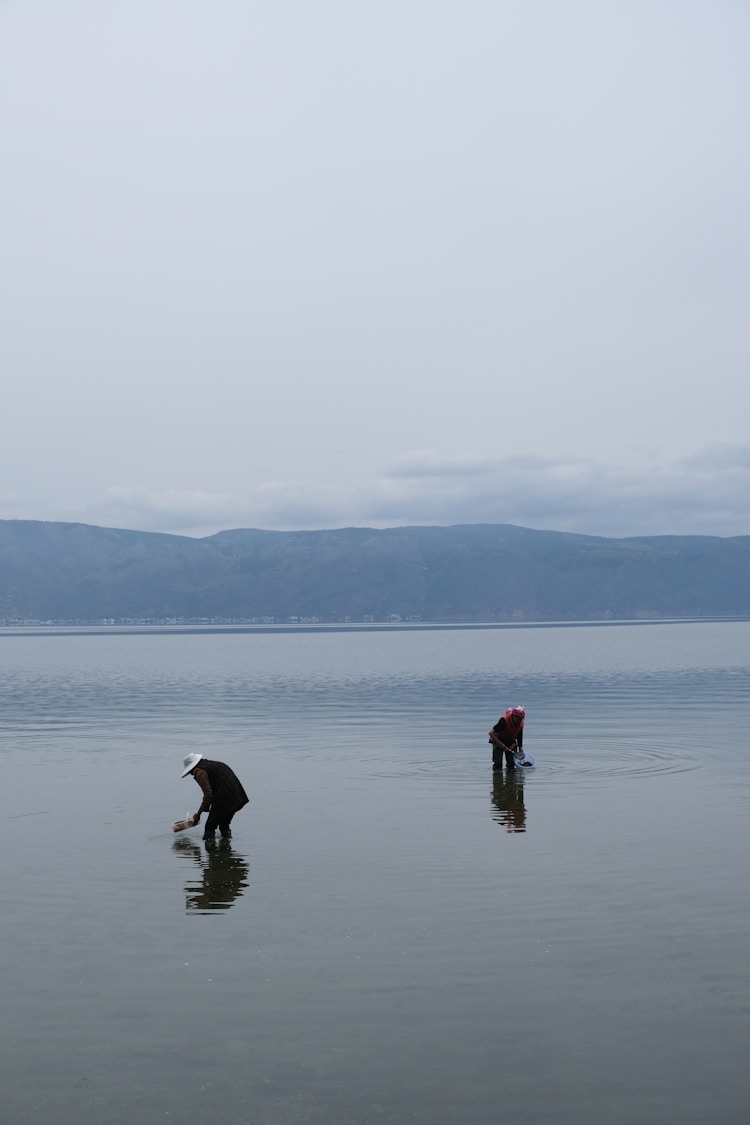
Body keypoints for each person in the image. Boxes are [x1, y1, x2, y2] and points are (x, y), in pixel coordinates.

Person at [180, 753, 249, 841]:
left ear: (192, 768)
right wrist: (206, 808)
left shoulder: (200, 771)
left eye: (190, 772)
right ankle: (226, 849)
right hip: (239, 796)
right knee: (224, 825)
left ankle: (211, 852)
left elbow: (208, 795)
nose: (191, 774)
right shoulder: (214, 764)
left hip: (225, 797)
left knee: (210, 826)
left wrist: (198, 814)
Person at [488, 705, 526, 770]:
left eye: (522, 718)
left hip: (510, 741)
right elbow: (491, 733)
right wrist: (500, 744)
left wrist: (520, 747)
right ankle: (497, 777)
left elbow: (519, 735)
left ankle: (510, 779)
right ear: (513, 716)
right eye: (519, 718)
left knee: (511, 764)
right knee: (498, 763)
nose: (520, 720)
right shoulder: (504, 721)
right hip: (498, 740)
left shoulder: (520, 723)